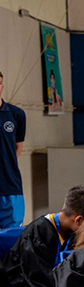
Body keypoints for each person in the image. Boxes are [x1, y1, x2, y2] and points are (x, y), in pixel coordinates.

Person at [0, 70, 27, 228]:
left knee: (12, 238)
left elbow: (17, 148)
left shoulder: (17, 114)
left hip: (11, 187)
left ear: (2, 86)